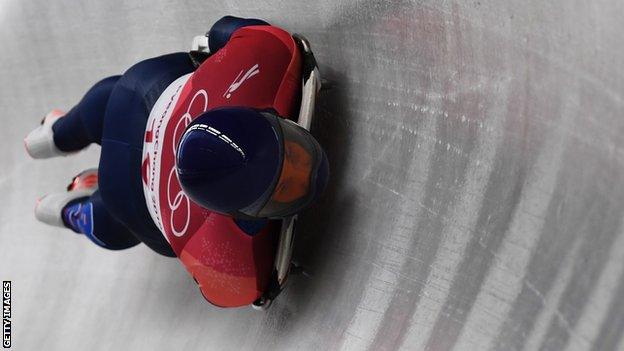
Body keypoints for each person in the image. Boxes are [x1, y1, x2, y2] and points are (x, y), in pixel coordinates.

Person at [24, 16, 329, 261]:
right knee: (110, 221)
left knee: (104, 102)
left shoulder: (264, 56)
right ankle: (70, 210)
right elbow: (240, 288)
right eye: (288, 183)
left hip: (140, 97)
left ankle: (57, 136)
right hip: (131, 185)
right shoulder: (202, 234)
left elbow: (229, 32)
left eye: (295, 156)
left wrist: (213, 50)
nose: (306, 174)